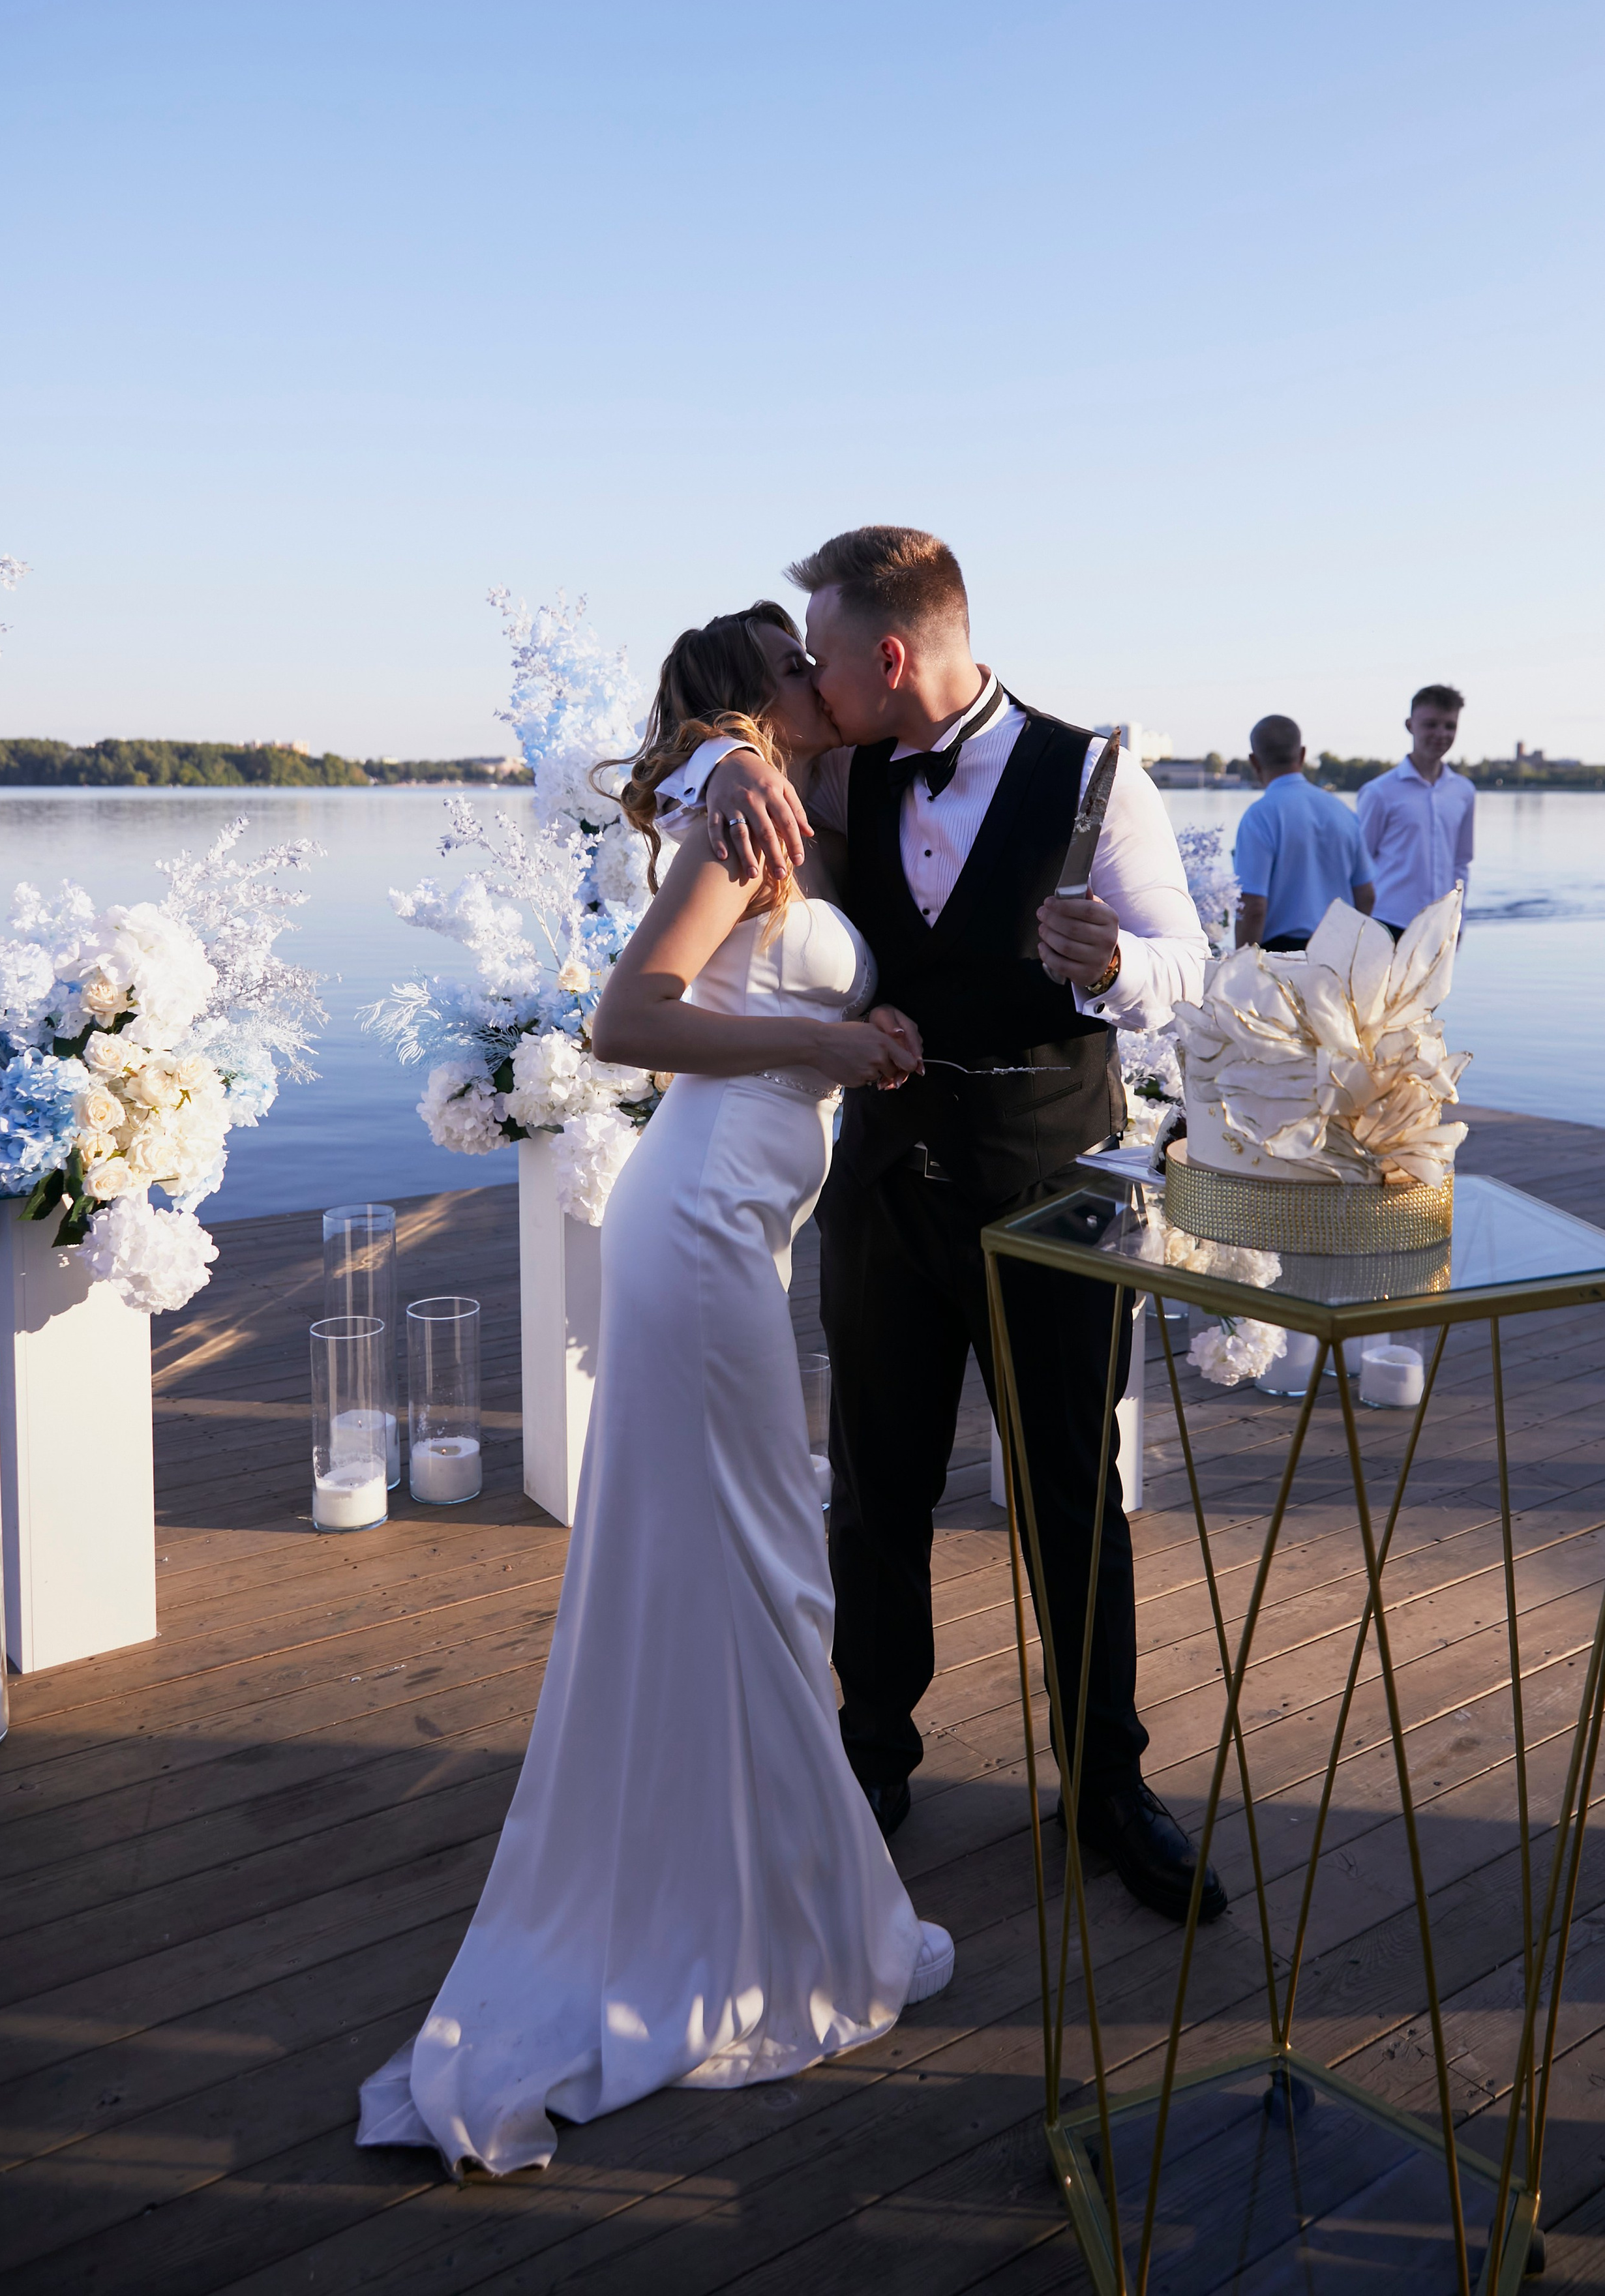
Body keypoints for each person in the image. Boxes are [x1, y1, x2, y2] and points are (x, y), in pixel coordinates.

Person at [357, 604, 954, 2179]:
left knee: (742, 1565)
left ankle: (783, 1895)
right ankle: (764, 1918)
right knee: (760, 1562)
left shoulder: (771, 792)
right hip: (693, 1230)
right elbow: (627, 1019)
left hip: (727, 1231)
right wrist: (830, 1042)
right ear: (752, 690)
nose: (818, 675)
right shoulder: (732, 796)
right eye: (791, 658)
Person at [661, 528, 1222, 1926]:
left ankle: (1106, 1787)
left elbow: (1186, 962)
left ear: (887, 656)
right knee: (875, 1490)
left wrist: (1117, 966)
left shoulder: (1096, 773)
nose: (808, 680)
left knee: (1066, 1495)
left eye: (822, 657)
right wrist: (715, 762)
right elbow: (660, 754)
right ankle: (871, 1760)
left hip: (1052, 1181)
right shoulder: (827, 766)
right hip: (885, 1184)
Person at [1231, 715, 1374, 951]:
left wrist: (1240, 968)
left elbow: (1254, 907)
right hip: (1339, 953)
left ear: (1254, 761)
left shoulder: (1259, 816)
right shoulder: (1343, 812)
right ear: (1303, 754)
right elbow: (1367, 896)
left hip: (1281, 957)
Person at [1356, 683, 1474, 940]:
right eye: (1431, 724)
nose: (1441, 734)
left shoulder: (1463, 792)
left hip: (1440, 926)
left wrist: (1459, 922)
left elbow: (1461, 863)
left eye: (1449, 726)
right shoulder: (1379, 792)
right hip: (1385, 923)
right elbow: (1358, 864)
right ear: (1410, 725)